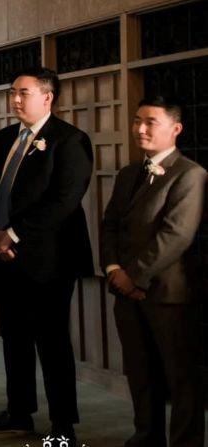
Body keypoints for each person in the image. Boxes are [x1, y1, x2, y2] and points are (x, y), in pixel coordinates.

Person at [0, 68, 93, 444]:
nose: (14, 99)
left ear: (47, 97)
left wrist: (11, 235)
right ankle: (19, 411)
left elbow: (64, 200)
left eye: (23, 93)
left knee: (52, 341)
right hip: (1, 253)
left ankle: (63, 424)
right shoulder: (3, 139)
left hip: (49, 257)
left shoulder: (69, 140)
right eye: (12, 92)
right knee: (14, 337)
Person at [100, 96, 204, 447]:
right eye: (136, 120)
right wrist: (114, 269)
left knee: (180, 377)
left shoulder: (190, 173)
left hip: (168, 294)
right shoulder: (129, 173)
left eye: (150, 122)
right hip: (125, 291)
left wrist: (134, 276)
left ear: (175, 129)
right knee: (141, 373)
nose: (140, 129)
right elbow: (110, 225)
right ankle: (146, 437)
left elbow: (177, 235)